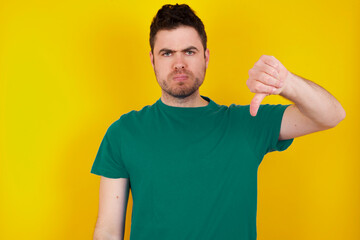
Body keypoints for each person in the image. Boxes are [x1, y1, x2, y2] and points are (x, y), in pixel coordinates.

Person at [90, 4, 345, 240]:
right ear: (153, 60)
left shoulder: (248, 122)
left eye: (189, 51)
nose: (179, 64)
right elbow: (109, 230)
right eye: (167, 53)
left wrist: (286, 83)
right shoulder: (124, 132)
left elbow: (331, 115)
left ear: (206, 57)